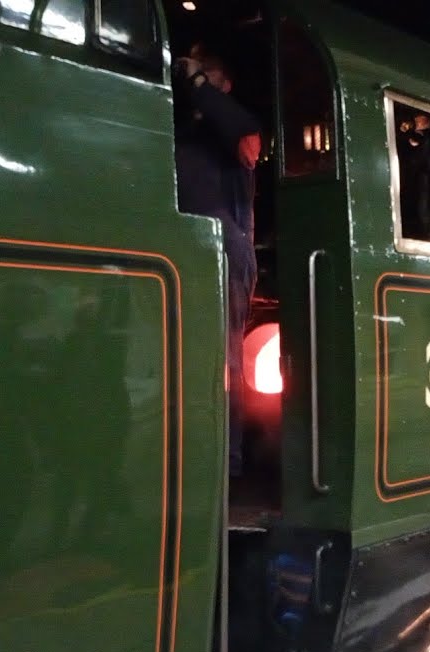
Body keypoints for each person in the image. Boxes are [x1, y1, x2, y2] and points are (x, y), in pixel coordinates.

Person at [174, 43, 262, 480]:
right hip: (182, 247)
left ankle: (229, 460)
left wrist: (197, 84)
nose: (197, 76)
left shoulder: (236, 125)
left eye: (208, 72)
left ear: (224, 84)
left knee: (224, 356)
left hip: (224, 248)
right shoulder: (185, 126)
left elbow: (245, 134)